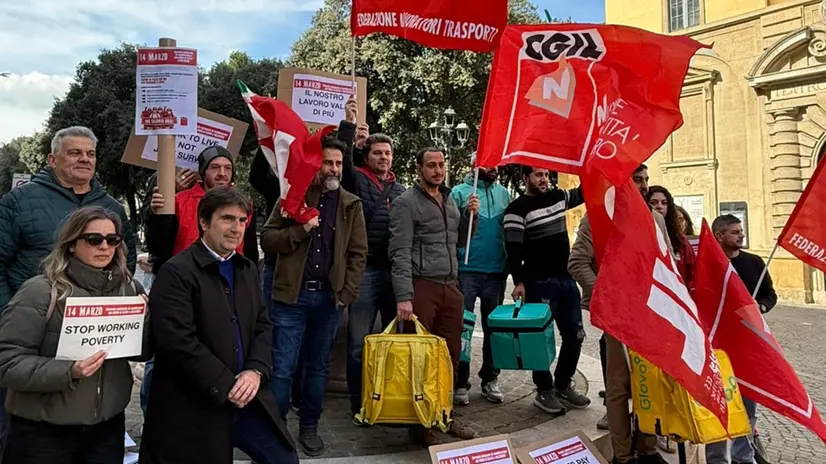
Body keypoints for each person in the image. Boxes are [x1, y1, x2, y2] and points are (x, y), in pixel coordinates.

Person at [140, 187, 297, 464]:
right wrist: (227, 385)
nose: (236, 228)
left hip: (247, 395)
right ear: (204, 222)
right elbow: (178, 342)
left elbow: (262, 324)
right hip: (196, 402)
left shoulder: (247, 268)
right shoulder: (176, 272)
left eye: (241, 220)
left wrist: (255, 370)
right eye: (227, 219)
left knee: (283, 459)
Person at [0, 207, 149, 463]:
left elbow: (142, 352)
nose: (104, 247)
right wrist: (68, 371)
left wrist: (144, 319)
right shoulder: (40, 291)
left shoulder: (129, 288)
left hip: (106, 429)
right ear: (71, 244)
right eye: (94, 239)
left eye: (112, 240)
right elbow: (7, 362)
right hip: (42, 432)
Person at [260, 137, 367, 456]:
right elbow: (267, 240)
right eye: (327, 162)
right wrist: (299, 231)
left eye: (337, 163)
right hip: (291, 300)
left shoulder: (350, 204)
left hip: (328, 301)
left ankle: (309, 427)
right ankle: (274, 432)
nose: (333, 168)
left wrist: (347, 292)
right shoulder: (293, 195)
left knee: (318, 366)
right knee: (282, 368)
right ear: (315, 164)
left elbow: (358, 253)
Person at [570, 164, 671, 464]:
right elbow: (577, 262)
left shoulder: (655, 218)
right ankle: (624, 455)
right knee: (618, 388)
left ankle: (648, 448)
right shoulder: (598, 216)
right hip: (618, 318)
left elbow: (664, 263)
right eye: (637, 180)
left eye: (646, 180)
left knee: (650, 382)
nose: (643, 185)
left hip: (651, 315)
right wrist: (607, 296)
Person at [388, 147, 479, 445]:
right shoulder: (406, 203)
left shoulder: (451, 199)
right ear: (419, 168)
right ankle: (419, 423)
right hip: (421, 287)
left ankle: (444, 413)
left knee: (450, 357)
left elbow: (459, 238)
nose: (438, 171)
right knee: (421, 358)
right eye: (431, 165)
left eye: (441, 165)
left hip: (451, 288)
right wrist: (404, 296)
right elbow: (399, 252)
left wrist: (471, 217)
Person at [0, 126, 137, 310]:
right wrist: (9, 312)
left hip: (93, 322)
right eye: (74, 153)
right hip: (35, 317)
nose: (84, 159)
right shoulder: (18, 202)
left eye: (91, 154)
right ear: (53, 160)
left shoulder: (112, 207)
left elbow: (125, 262)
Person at [338, 100, 406, 419]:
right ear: (368, 155)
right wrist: (350, 127)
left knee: (396, 343)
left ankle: (390, 399)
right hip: (364, 274)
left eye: (387, 153)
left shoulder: (402, 190)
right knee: (357, 345)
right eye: (377, 152)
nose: (383, 157)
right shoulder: (355, 180)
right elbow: (343, 162)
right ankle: (358, 403)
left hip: (394, 276)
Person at [504, 166, 590, 414]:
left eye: (546, 175)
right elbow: (513, 250)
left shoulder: (558, 197)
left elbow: (585, 193)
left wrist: (584, 164)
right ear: (525, 178)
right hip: (537, 282)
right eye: (538, 175)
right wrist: (519, 282)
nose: (544, 180)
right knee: (538, 339)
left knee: (576, 336)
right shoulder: (516, 210)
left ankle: (563, 384)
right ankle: (544, 390)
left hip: (566, 280)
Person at [705, 214, 777, 464]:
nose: (741, 234)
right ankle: (716, 459)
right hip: (718, 346)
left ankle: (743, 457)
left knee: (748, 407)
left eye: (741, 230)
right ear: (719, 236)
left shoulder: (755, 262)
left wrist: (761, 307)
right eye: (735, 232)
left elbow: (770, 295)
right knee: (716, 405)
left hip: (749, 346)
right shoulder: (709, 264)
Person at [450, 155, 511, 406]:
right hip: (466, 271)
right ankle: (460, 382)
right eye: (488, 163)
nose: (494, 168)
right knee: (462, 329)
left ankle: (490, 378)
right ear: (475, 165)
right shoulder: (459, 192)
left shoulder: (505, 194)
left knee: (493, 329)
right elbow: (451, 231)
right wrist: (467, 214)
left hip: (495, 272)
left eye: (496, 164)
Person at [145, 146, 259, 274]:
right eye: (215, 167)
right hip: (185, 276)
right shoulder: (179, 201)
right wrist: (157, 215)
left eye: (228, 168)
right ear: (203, 172)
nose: (222, 173)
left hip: (232, 277)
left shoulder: (245, 205)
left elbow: (250, 250)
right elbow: (158, 244)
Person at [647, 186, 697, 290]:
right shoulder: (640, 234)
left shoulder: (680, 239)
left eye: (664, 203)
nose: (659, 206)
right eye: (653, 202)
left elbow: (691, 273)